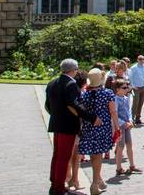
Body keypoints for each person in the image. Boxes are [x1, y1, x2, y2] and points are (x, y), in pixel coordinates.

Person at [46, 59, 99, 195]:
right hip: (67, 125)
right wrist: (92, 118)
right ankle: (58, 187)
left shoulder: (53, 82)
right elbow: (74, 104)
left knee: (57, 155)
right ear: (73, 70)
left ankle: (55, 183)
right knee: (63, 157)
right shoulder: (70, 84)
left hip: (56, 123)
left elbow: (48, 105)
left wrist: (56, 115)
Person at [78, 68, 119, 195]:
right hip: (103, 127)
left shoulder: (84, 94)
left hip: (89, 126)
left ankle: (98, 179)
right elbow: (113, 111)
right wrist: (116, 127)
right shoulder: (107, 93)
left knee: (93, 154)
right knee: (98, 155)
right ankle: (95, 183)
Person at [112, 79, 141, 176]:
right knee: (120, 146)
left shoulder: (125, 98)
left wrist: (130, 120)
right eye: (124, 88)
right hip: (120, 126)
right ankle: (118, 168)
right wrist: (123, 123)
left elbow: (128, 110)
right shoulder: (115, 99)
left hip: (127, 124)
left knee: (129, 144)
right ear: (117, 89)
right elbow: (114, 113)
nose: (126, 89)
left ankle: (132, 165)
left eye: (126, 87)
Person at [128, 55, 144, 125]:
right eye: (140, 59)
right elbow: (130, 78)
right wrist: (133, 86)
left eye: (143, 59)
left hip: (143, 87)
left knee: (141, 104)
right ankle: (132, 119)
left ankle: (138, 118)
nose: (142, 60)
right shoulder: (133, 68)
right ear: (137, 60)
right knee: (135, 104)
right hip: (136, 88)